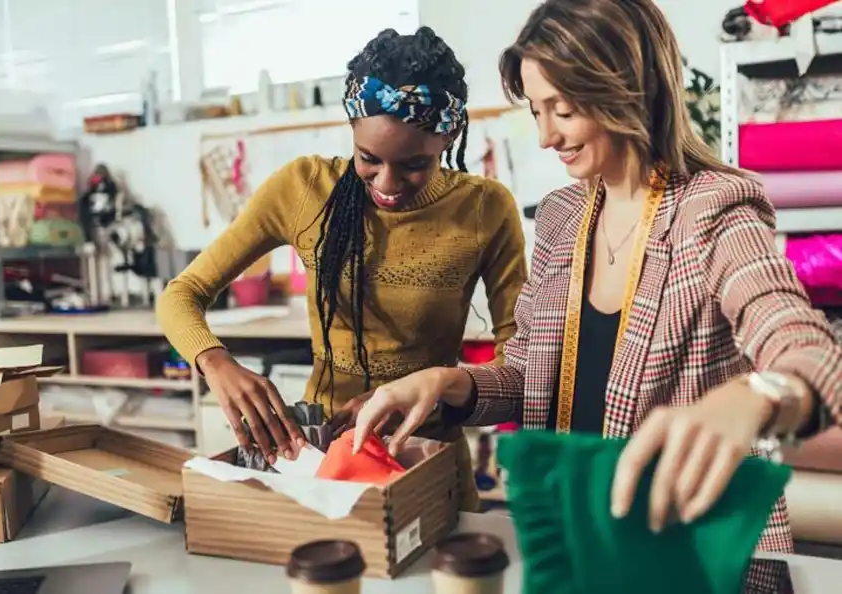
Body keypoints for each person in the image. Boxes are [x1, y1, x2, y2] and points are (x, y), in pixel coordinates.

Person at [352, 0, 842, 552]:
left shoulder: (714, 210)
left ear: (624, 88)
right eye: (537, 112)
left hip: (693, 550)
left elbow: (810, 351)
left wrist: (757, 395)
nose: (545, 137)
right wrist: (447, 382)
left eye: (561, 109)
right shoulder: (562, 217)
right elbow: (532, 382)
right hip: (581, 537)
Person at [156, 26, 528, 512]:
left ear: (450, 134)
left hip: (425, 462)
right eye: (368, 159)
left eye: (415, 164)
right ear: (351, 129)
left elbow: (519, 368)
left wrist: (425, 396)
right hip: (322, 462)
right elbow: (180, 295)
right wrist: (215, 363)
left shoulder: (485, 209)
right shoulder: (304, 189)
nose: (388, 183)